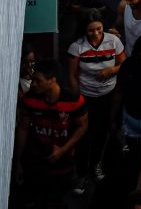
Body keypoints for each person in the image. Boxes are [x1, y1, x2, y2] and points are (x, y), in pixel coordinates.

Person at [14, 58, 88, 209]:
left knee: (56, 198)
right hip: (35, 158)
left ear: (52, 80)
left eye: (38, 81)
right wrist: (18, 161)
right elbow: (23, 128)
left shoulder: (74, 100)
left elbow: (82, 126)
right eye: (33, 80)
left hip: (63, 160)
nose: (33, 84)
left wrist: (63, 150)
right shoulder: (30, 99)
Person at [66, 9, 126, 180]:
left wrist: (112, 70)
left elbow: (124, 64)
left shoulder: (113, 41)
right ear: (84, 30)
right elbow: (71, 75)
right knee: (84, 135)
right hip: (86, 97)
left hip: (108, 96)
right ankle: (81, 173)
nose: (96, 33)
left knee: (102, 132)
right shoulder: (77, 46)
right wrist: (76, 98)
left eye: (99, 29)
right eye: (91, 30)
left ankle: (96, 164)